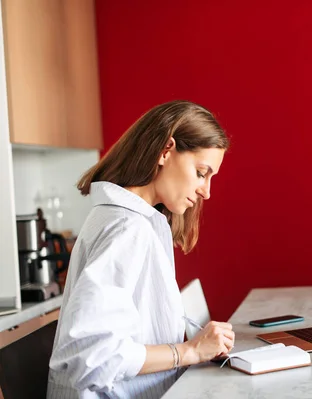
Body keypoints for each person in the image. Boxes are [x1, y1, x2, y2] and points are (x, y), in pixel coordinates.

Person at [47, 100, 234, 398]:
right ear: (165, 151)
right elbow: (93, 357)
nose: (206, 191)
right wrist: (190, 351)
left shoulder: (133, 219)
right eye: (201, 172)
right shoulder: (126, 227)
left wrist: (196, 346)